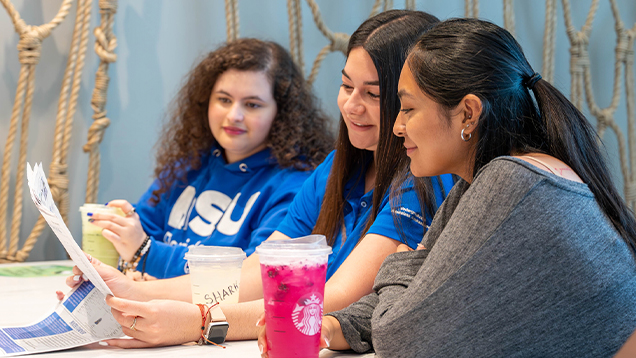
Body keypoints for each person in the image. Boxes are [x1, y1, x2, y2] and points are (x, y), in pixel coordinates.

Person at [60, 10, 454, 346]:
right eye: (346, 85)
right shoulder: (336, 168)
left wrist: (198, 320)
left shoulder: (421, 180)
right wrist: (136, 291)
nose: (351, 106)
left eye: (373, 94)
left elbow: (335, 299)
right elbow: (260, 271)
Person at [303, 18, 636, 357]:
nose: (398, 127)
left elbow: (400, 339)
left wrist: (400, 264)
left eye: (409, 108)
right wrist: (332, 325)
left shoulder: (511, 184)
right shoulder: (486, 179)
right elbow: (416, 292)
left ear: (468, 114)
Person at [85, 39, 334, 279]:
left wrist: (148, 254)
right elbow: (144, 230)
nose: (234, 115)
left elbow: (252, 276)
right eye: (224, 100)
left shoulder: (296, 185)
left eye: (252, 105)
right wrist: (117, 230)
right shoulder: (189, 164)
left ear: (282, 115)